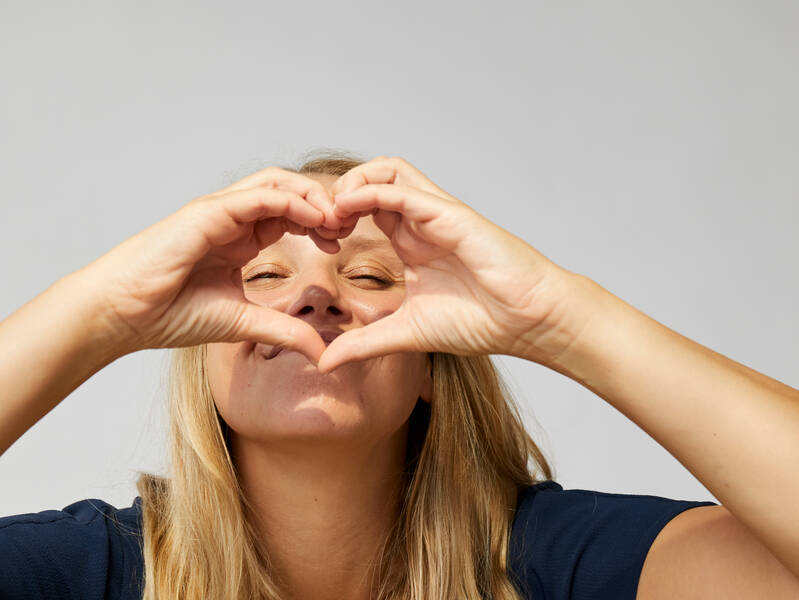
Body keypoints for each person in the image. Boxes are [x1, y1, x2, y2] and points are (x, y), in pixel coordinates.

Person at [0, 151, 797, 600]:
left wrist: (560, 317)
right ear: (201, 349)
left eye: (371, 279)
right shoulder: (86, 573)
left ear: (430, 369)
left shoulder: (562, 565)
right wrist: (99, 312)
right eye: (265, 280)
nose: (314, 297)